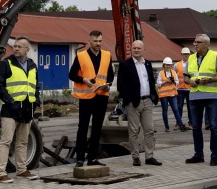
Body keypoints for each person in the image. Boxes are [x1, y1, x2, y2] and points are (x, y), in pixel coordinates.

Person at [0, 36, 40, 183]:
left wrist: (36, 101)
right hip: (10, 110)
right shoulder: (6, 64)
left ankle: (22, 170)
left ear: (27, 50)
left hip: (27, 109)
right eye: (15, 46)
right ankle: (1, 173)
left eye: (19, 46)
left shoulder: (32, 65)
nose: (16, 48)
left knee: (23, 142)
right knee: (6, 141)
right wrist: (10, 101)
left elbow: (35, 86)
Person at [69, 30, 114, 167]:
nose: (98, 44)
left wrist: (108, 85)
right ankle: (80, 158)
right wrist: (83, 80)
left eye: (100, 41)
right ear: (89, 41)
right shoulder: (81, 56)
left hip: (101, 96)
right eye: (95, 41)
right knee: (82, 127)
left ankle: (93, 158)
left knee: (97, 128)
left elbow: (110, 75)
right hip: (86, 97)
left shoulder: (107, 55)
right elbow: (71, 75)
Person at [116, 40, 161, 166]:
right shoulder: (125, 65)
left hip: (147, 101)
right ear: (131, 49)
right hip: (133, 103)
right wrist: (129, 99)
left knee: (149, 130)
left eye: (138, 48)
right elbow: (121, 84)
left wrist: (154, 96)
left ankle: (149, 156)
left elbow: (150, 81)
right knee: (134, 131)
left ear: (143, 49)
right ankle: (135, 157)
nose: (136, 50)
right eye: (134, 48)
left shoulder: (147, 64)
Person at [186, 33, 217, 166]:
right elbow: (185, 77)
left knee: (214, 127)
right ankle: (199, 155)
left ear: (207, 44)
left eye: (198, 42)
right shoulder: (191, 58)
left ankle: (214, 156)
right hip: (195, 96)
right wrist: (189, 82)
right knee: (196, 127)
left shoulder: (215, 56)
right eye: (194, 42)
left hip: (211, 96)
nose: (195, 44)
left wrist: (210, 79)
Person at [157, 57, 187, 132]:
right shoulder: (161, 73)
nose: (168, 66)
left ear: (171, 66)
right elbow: (158, 84)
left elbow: (177, 82)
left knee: (176, 110)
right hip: (163, 95)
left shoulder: (173, 72)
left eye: (169, 65)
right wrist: (165, 82)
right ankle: (166, 126)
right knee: (165, 111)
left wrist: (173, 81)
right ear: (164, 65)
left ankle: (181, 125)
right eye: (166, 65)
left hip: (172, 94)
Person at [176, 47, 191, 127]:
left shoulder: (192, 64)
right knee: (179, 106)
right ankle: (179, 122)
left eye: (187, 54)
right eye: (184, 54)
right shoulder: (177, 65)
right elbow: (174, 75)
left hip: (189, 89)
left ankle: (191, 122)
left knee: (190, 107)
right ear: (181, 54)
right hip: (180, 89)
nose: (186, 56)